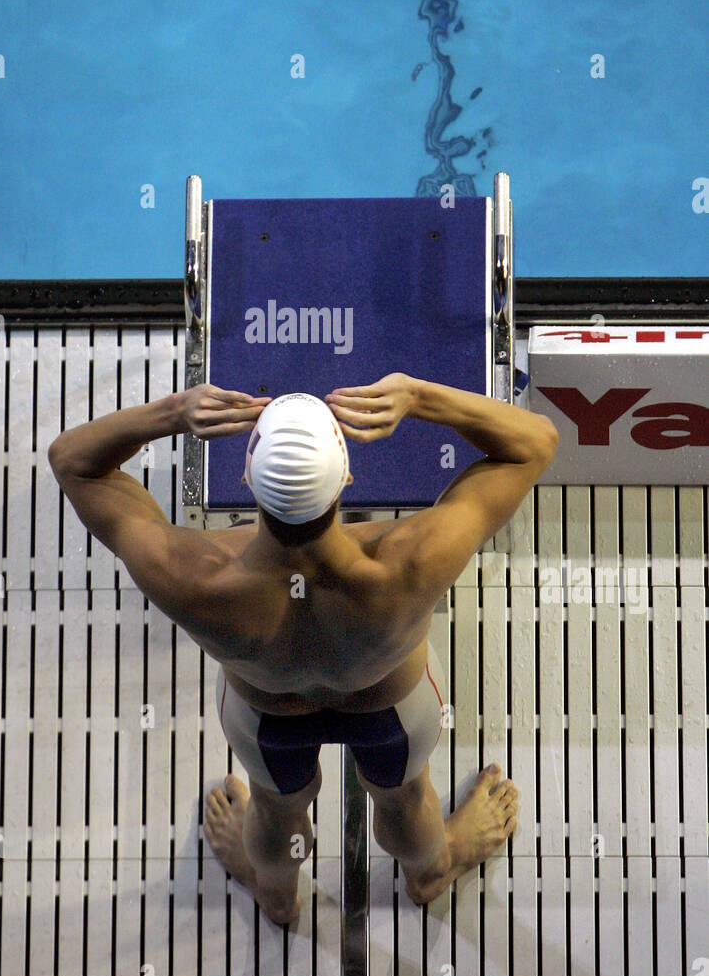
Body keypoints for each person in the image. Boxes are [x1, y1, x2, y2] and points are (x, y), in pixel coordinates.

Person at [48, 372, 558, 926]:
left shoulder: (193, 574)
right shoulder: (411, 557)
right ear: (347, 478)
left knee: (273, 808)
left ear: (245, 478)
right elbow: (535, 443)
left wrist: (175, 413)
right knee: (405, 796)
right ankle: (431, 869)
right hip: (392, 711)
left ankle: (275, 891)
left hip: (267, 720)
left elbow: (71, 460)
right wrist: (419, 397)